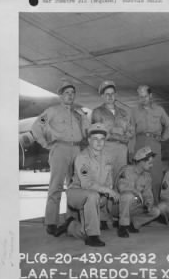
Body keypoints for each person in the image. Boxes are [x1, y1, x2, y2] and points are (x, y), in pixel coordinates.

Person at [31, 81, 90, 236]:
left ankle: (72, 219)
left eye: (72, 93)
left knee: (75, 186)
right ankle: (51, 222)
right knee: (56, 186)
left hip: (77, 149)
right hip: (60, 149)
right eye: (67, 93)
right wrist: (45, 144)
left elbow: (86, 133)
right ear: (60, 95)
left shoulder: (78, 113)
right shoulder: (52, 111)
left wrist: (84, 120)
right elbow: (36, 127)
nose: (70, 96)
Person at [54, 123, 120, 247]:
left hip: (95, 194)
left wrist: (108, 192)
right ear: (89, 140)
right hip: (77, 194)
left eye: (102, 139)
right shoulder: (82, 157)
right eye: (95, 139)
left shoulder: (107, 157)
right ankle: (93, 237)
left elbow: (108, 180)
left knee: (85, 229)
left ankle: (71, 226)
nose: (99, 142)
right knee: (92, 196)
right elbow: (87, 184)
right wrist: (108, 191)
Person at [91, 80, 134, 229]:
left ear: (116, 95)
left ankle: (117, 215)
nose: (110, 97)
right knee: (104, 182)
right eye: (106, 94)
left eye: (112, 93)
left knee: (120, 182)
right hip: (106, 149)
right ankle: (102, 217)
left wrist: (126, 137)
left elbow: (130, 130)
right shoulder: (97, 112)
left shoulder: (124, 112)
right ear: (102, 96)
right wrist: (118, 136)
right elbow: (100, 131)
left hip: (122, 150)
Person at [131, 85, 169, 204]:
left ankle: (156, 204)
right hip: (139, 142)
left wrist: (163, 138)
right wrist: (131, 150)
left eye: (145, 96)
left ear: (150, 96)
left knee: (155, 174)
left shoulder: (159, 110)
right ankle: (140, 206)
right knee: (139, 174)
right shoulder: (134, 111)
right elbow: (131, 131)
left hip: (154, 143)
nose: (143, 99)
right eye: (140, 97)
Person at [113, 146, 161, 238]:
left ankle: (133, 224)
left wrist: (148, 203)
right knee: (128, 196)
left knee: (156, 211)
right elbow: (121, 187)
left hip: (134, 206)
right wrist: (136, 192)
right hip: (117, 206)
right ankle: (122, 226)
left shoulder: (147, 176)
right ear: (141, 162)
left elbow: (148, 195)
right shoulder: (126, 170)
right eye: (150, 163)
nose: (152, 165)